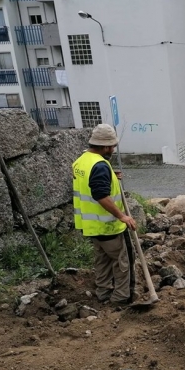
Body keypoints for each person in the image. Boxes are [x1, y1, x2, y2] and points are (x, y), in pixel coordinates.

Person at [72, 124, 137, 305]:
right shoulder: (100, 166)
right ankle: (122, 297)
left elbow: (89, 183)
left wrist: (110, 176)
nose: (113, 149)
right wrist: (122, 216)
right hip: (109, 226)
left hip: (92, 226)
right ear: (106, 146)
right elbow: (100, 195)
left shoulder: (82, 161)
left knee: (102, 260)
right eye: (113, 146)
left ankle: (103, 292)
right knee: (122, 262)